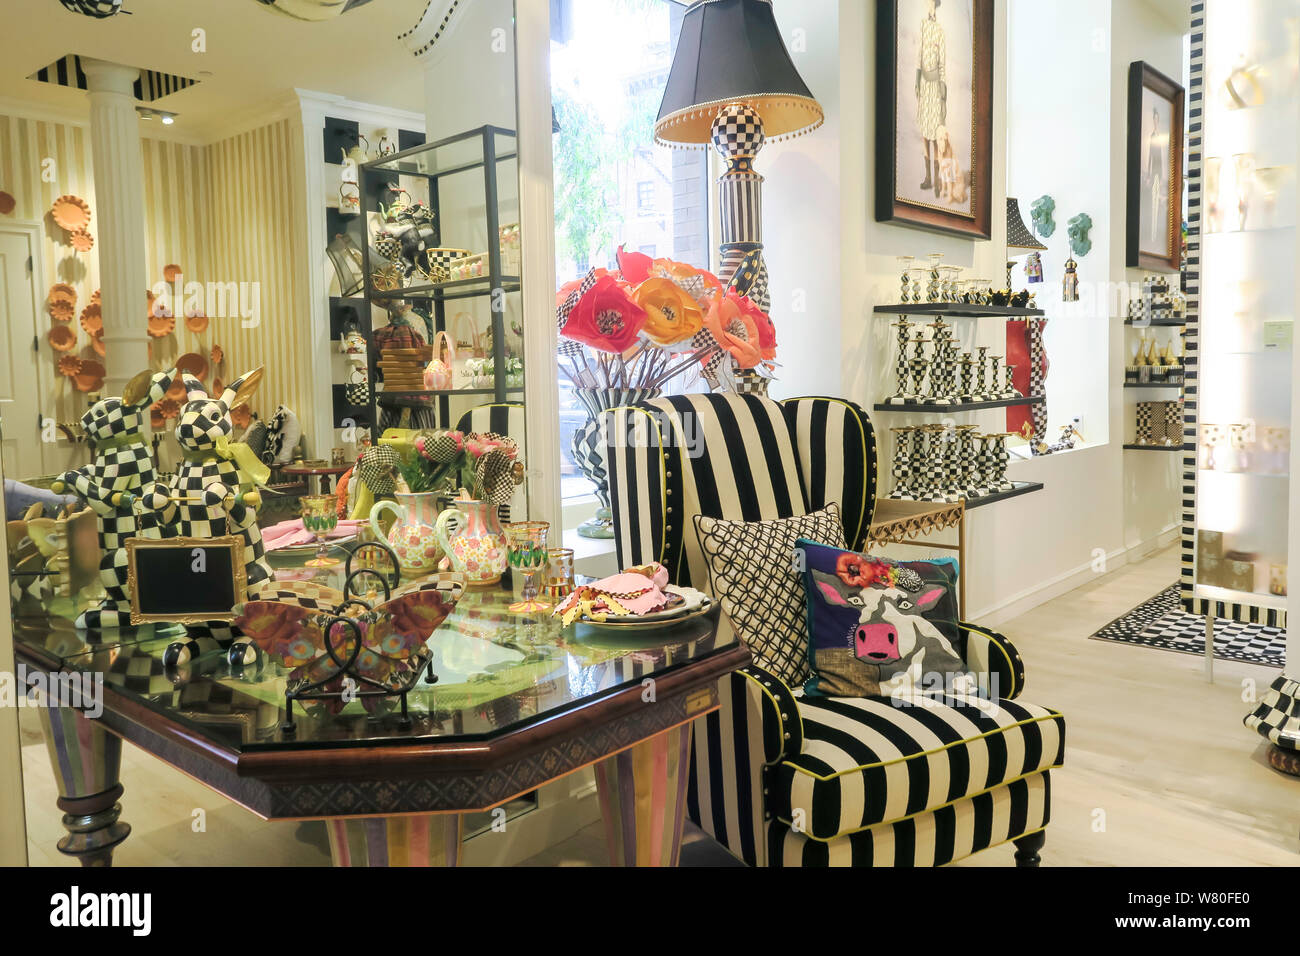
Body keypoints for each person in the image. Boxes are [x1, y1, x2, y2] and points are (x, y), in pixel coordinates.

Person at [915, 0, 947, 198]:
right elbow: (919, 55)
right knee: (925, 133)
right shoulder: (923, 26)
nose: (929, 7)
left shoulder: (940, 30)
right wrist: (917, 80)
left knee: (936, 133)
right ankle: (928, 177)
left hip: (935, 86)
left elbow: (942, 61)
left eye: (932, 3)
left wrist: (943, 87)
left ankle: (938, 180)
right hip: (925, 85)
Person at [1145, 105, 1164, 244]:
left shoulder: (1160, 137)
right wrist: (1148, 173)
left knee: (1157, 199)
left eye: (1157, 119)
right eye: (1154, 119)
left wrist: (1162, 174)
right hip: (1153, 172)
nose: (1156, 122)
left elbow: (1161, 157)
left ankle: (1155, 234)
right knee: (1153, 201)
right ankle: (1152, 234)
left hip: (1159, 172)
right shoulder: (1152, 136)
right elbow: (1151, 156)